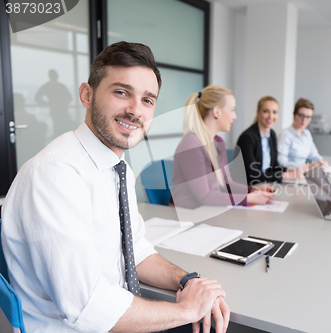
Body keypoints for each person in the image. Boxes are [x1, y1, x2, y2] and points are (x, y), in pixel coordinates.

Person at [1, 41, 229, 333]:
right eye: (121, 92)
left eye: (147, 100)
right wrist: (186, 309)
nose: (135, 111)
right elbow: (89, 307)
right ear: (87, 94)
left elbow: (137, 252)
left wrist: (189, 280)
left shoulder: (116, 168)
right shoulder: (56, 173)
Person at [171, 85, 275, 209]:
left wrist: (254, 190)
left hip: (205, 213)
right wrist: (249, 198)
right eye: (232, 109)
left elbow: (226, 184)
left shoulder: (218, 142)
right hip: (186, 216)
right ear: (216, 112)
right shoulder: (191, 145)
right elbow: (204, 197)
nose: (234, 116)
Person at [236, 96, 307, 186]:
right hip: (248, 188)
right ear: (258, 113)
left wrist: (291, 170)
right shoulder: (247, 138)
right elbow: (253, 175)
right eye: (266, 111)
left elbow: (274, 166)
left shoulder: (272, 134)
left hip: (265, 184)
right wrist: (286, 175)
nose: (271, 116)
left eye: (274, 112)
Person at [278, 98, 329, 169]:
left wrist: (321, 162)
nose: (304, 120)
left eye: (308, 117)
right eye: (301, 115)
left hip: (304, 174)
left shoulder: (307, 134)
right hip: (291, 175)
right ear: (294, 114)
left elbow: (314, 155)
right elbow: (282, 162)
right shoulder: (286, 134)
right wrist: (307, 166)